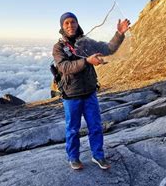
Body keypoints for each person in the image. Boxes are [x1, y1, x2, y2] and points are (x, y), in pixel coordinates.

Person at [52, 12, 130, 170]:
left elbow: (108, 49)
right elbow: (64, 67)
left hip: (89, 92)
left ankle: (98, 156)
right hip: (71, 95)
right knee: (73, 129)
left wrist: (120, 33)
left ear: (77, 23)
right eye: (66, 23)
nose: (70, 25)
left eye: (72, 22)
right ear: (62, 26)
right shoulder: (59, 47)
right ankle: (73, 157)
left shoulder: (85, 42)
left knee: (95, 126)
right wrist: (86, 61)